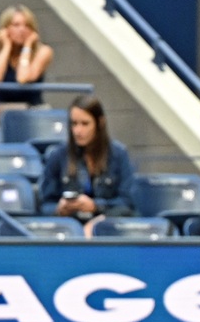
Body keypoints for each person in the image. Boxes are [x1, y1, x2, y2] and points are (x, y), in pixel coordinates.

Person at [37, 95, 138, 232]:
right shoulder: (58, 155)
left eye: (85, 124)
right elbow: (45, 206)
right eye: (74, 124)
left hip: (108, 227)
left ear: (100, 123)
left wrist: (95, 206)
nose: (78, 131)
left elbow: (127, 203)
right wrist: (59, 209)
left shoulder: (119, 154)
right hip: (69, 229)